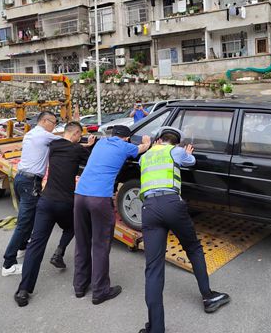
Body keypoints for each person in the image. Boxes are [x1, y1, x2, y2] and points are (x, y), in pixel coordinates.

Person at [138, 127, 230, 333]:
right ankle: (208, 296)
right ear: (175, 142)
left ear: (159, 139)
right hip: (171, 204)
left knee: (153, 268)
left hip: (149, 208)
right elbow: (192, 162)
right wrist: (187, 153)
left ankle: (156, 328)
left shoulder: (145, 156)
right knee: (193, 248)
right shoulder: (175, 151)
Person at [14, 122, 96, 307]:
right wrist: (88, 146)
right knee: (73, 227)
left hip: (45, 201)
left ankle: (23, 290)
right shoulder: (77, 150)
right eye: (78, 135)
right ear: (76, 134)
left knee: (36, 245)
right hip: (65, 203)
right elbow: (90, 159)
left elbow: (68, 146)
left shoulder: (54, 145)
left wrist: (81, 144)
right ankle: (59, 251)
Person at [73, 125, 151, 304]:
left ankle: (79, 286)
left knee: (82, 242)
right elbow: (142, 149)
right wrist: (146, 142)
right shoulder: (124, 146)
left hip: (80, 196)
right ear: (126, 138)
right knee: (100, 245)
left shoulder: (100, 143)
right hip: (99, 199)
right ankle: (100, 291)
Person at [1, 111, 61, 277]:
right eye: (53, 123)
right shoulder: (43, 135)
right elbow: (67, 141)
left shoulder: (30, 134)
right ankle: (8, 264)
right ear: (44, 120)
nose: (54, 127)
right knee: (24, 222)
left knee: (29, 218)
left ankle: (21, 248)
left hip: (20, 178)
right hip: (30, 183)